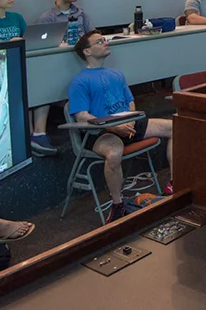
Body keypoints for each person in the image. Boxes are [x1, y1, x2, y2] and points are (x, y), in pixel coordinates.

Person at [68, 31, 175, 222]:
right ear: (87, 51)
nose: (105, 43)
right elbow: (82, 116)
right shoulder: (79, 81)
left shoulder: (116, 74)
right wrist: (113, 127)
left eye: (105, 40)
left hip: (128, 123)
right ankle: (118, 205)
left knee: (176, 127)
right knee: (114, 153)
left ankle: (174, 184)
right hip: (101, 130)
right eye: (99, 41)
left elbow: (130, 101)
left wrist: (131, 122)